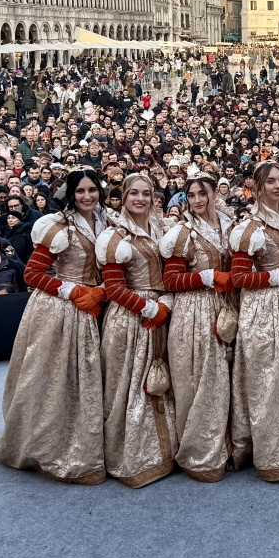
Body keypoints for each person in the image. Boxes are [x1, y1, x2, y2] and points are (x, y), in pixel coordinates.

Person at [0, 169, 108, 485]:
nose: (86, 197)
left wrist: (100, 291)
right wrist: (72, 290)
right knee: (55, 379)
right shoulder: (56, 227)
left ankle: (86, 440)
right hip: (62, 309)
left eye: (92, 190)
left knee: (86, 379)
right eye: (80, 191)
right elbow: (33, 274)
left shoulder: (106, 221)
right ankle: (49, 445)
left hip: (95, 303)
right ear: (69, 194)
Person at [96, 173, 177, 488]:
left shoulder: (162, 229)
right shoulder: (115, 237)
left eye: (146, 193)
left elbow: (169, 274)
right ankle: (130, 455)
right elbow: (114, 287)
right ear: (124, 198)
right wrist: (148, 308)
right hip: (130, 318)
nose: (140, 199)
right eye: (134, 194)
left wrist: (165, 302)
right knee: (127, 387)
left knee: (157, 382)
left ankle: (163, 452)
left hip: (161, 313)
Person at [159, 170, 236, 482]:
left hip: (228, 307)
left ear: (214, 194)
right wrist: (206, 277)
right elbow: (170, 280)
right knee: (201, 380)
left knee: (228, 377)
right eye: (191, 196)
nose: (197, 201)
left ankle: (230, 445)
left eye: (202, 194)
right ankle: (201, 450)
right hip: (195, 311)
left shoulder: (230, 225)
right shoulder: (182, 232)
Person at [228, 161, 279, 482]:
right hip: (265, 307)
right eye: (270, 181)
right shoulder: (251, 228)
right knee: (268, 379)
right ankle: (271, 454)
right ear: (257, 188)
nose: (277, 186)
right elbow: (239, 277)